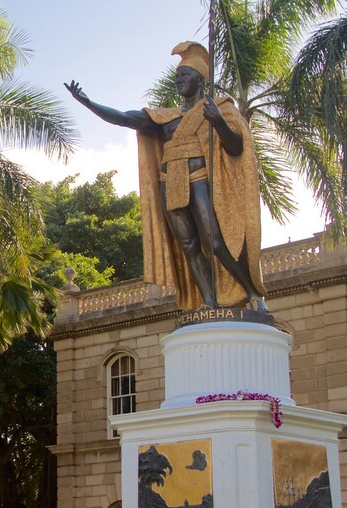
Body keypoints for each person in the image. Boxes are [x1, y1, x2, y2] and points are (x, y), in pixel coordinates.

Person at [66, 41, 267, 311]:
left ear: (200, 79)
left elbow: (236, 147)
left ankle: (252, 293)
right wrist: (88, 103)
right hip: (169, 183)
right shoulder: (165, 117)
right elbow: (124, 118)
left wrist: (217, 121)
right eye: (177, 77)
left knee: (215, 241)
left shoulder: (219, 108)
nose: (179, 81)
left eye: (185, 76)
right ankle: (208, 301)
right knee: (189, 245)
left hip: (199, 179)